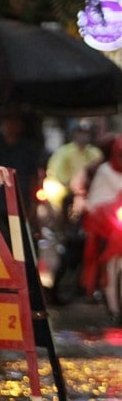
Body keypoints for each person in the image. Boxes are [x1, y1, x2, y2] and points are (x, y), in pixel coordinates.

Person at [79, 134, 122, 326]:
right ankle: (113, 308)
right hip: (107, 227)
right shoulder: (104, 171)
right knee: (108, 267)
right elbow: (96, 201)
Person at [46, 119, 102, 189]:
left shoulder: (95, 152)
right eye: (80, 133)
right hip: (67, 191)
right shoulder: (63, 152)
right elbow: (57, 174)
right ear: (74, 134)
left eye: (86, 133)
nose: (83, 136)